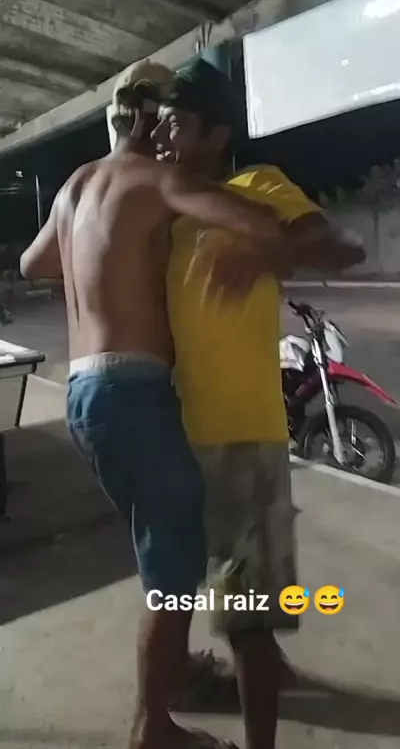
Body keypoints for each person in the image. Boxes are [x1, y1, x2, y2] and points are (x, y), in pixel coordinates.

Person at [19, 59, 287, 749]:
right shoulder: (157, 181)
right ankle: (152, 726)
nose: (170, 135)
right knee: (174, 573)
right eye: (165, 120)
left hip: (83, 396)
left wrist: (102, 249)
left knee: (160, 549)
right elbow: (252, 220)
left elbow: (33, 264)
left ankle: (178, 670)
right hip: (133, 392)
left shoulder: (77, 185)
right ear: (146, 119)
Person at [152, 58, 366, 749]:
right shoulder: (165, 202)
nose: (162, 136)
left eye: (177, 123)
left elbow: (345, 246)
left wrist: (266, 256)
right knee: (209, 595)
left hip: (242, 433)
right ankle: (261, 671)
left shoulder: (257, 187)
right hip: (176, 436)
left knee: (245, 615)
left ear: (218, 133)